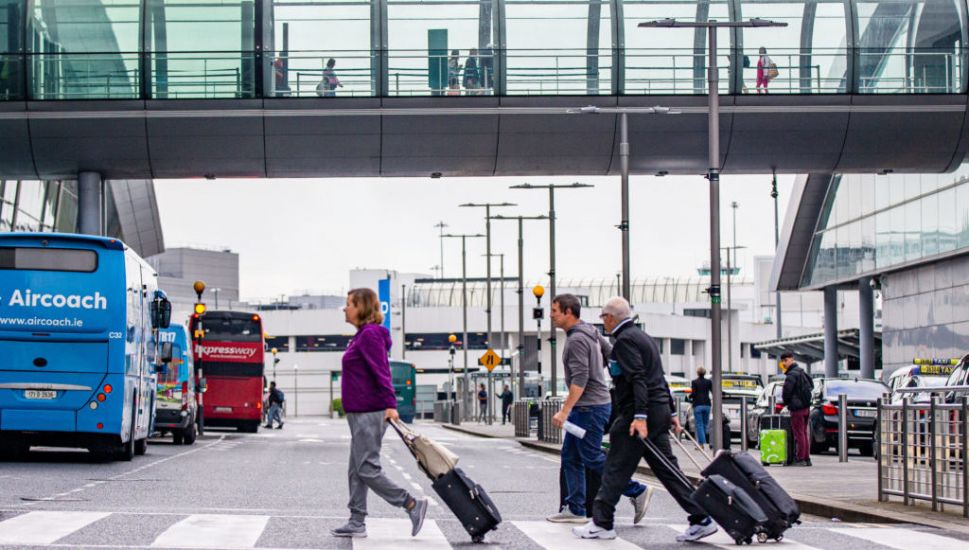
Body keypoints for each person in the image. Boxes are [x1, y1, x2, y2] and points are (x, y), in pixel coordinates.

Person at [574, 297, 716, 542]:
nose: (603, 323)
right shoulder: (644, 337)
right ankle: (700, 517)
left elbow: (638, 379)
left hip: (639, 416)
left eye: (603, 318)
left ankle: (602, 522)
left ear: (610, 317)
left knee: (615, 467)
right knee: (668, 470)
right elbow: (658, 377)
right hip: (657, 412)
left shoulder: (624, 342)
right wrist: (670, 412)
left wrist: (639, 417)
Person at [331, 288, 428, 538]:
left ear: (361, 307)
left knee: (367, 468)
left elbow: (381, 371)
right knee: (356, 468)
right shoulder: (362, 335)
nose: (345, 308)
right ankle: (356, 520)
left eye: (349, 304)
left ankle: (411, 504)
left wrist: (390, 404)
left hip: (369, 412)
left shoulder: (370, 335)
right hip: (360, 412)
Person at [547, 294, 652, 525]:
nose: (551, 315)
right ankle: (575, 508)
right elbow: (611, 354)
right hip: (592, 406)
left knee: (592, 456)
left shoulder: (576, 340)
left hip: (589, 409)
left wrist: (564, 411)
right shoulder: (590, 332)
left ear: (568, 312)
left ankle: (637, 490)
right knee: (570, 456)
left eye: (554, 310)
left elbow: (580, 378)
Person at [780, 352, 814, 466]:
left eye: (785, 360)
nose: (783, 363)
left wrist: (786, 402)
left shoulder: (791, 375)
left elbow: (786, 392)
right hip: (806, 407)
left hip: (797, 408)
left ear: (791, 360)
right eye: (782, 361)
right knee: (803, 433)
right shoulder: (802, 372)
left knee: (799, 433)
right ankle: (806, 458)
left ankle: (800, 458)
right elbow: (811, 385)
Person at [689, 366, 712, 447]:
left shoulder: (694, 382)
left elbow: (694, 393)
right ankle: (702, 442)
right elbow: (713, 391)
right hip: (707, 405)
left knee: (699, 424)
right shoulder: (708, 382)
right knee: (705, 424)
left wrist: (689, 396)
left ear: (697, 373)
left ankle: (701, 443)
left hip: (698, 404)